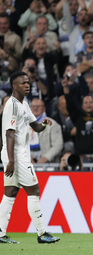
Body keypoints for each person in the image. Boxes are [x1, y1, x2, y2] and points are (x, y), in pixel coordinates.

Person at [0, 71, 60, 244]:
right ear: (14, 86)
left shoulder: (24, 104)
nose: (27, 85)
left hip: (15, 154)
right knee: (34, 190)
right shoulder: (12, 104)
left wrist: (44, 124)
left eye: (28, 82)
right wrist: (11, 160)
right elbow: (9, 133)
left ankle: (0, 232)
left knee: (10, 193)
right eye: (23, 83)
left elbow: (35, 126)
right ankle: (42, 233)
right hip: (16, 155)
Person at [62, 74, 93, 163]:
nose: (89, 104)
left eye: (91, 102)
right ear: (82, 105)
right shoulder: (78, 117)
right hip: (82, 159)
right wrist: (65, 88)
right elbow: (70, 104)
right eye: (86, 102)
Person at [29, 99, 63, 163]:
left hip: (46, 162)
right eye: (33, 106)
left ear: (44, 109)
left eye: (38, 106)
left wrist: (46, 157)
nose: (35, 108)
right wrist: (26, 156)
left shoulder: (53, 124)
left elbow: (58, 145)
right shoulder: (23, 124)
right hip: (27, 160)